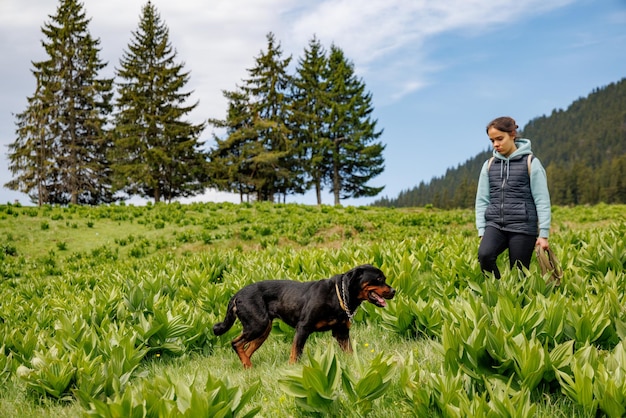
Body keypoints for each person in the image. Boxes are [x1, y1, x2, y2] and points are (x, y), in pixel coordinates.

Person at [475, 116, 551, 278]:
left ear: (512, 135)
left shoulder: (531, 162)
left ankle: (517, 300)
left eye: (500, 139)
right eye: (492, 140)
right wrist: (482, 230)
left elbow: (542, 200)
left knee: (518, 273)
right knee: (485, 255)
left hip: (523, 226)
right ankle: (496, 293)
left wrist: (543, 235)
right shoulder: (489, 165)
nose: (496, 144)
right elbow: (482, 200)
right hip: (495, 224)